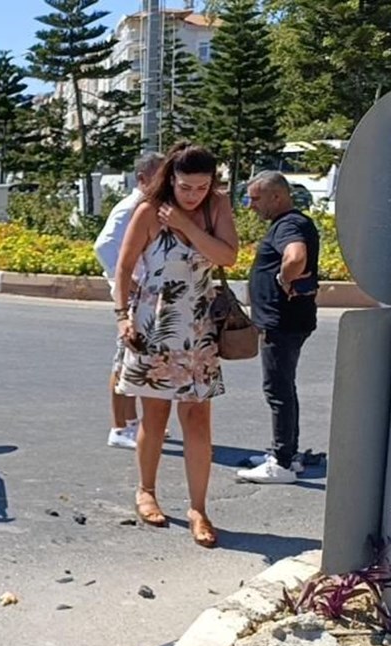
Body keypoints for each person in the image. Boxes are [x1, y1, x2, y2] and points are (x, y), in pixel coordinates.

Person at [114, 142, 240, 548]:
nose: (193, 195)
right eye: (186, 187)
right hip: (156, 322)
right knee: (155, 415)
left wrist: (187, 226)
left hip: (199, 326)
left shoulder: (215, 207)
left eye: (201, 187)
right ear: (171, 178)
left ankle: (198, 508)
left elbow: (228, 256)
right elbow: (125, 265)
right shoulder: (149, 211)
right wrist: (122, 315)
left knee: (198, 419)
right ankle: (146, 491)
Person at [236, 171, 320, 485]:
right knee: (285, 387)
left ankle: (282, 463)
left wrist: (284, 279)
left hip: (282, 323)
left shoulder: (289, 224)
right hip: (288, 321)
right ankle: (287, 453)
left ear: (277, 197)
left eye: (256, 198)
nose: (250, 206)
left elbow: (295, 257)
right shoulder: (291, 223)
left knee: (278, 390)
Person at [95, 152, 165, 449]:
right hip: (132, 297)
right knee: (123, 361)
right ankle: (119, 426)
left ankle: (132, 422)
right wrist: (128, 281)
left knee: (134, 358)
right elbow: (104, 247)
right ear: (143, 179)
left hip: (142, 295)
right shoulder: (129, 208)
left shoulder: (147, 206)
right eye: (161, 176)